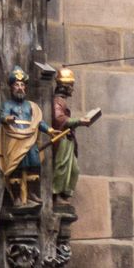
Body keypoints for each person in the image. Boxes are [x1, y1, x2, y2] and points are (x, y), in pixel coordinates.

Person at [45, 67, 100, 200]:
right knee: (62, 167)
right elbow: (59, 118)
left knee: (74, 170)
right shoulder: (58, 101)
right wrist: (79, 121)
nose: (72, 89)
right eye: (71, 86)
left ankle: (64, 194)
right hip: (61, 138)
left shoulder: (61, 101)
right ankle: (56, 194)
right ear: (64, 87)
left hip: (68, 139)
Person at [0, 68, 43, 205]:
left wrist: (51, 130)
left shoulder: (31, 106)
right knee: (15, 167)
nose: (20, 88)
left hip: (29, 138)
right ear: (12, 88)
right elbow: (2, 116)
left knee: (35, 164)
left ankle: (32, 194)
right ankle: (17, 197)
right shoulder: (8, 104)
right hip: (15, 138)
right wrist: (8, 119)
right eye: (17, 85)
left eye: (22, 85)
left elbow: (38, 122)